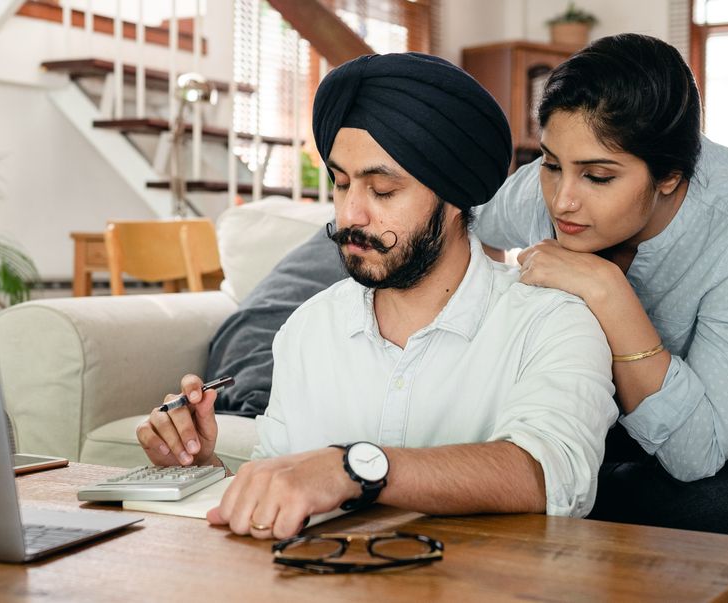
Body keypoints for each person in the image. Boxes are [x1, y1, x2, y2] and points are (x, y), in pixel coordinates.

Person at [137, 52, 618, 540]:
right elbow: (282, 486)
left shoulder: (553, 320)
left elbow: (551, 478)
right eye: (341, 184)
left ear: (455, 197)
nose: (351, 215)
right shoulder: (308, 329)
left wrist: (353, 469)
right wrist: (201, 465)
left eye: (383, 191)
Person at [475, 33, 728, 538]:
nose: (562, 202)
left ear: (670, 176)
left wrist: (606, 290)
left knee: (725, 506)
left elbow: (699, 450)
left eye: (598, 177)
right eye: (552, 164)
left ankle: (536, 493)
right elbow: (469, 229)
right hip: (603, 409)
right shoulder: (550, 188)